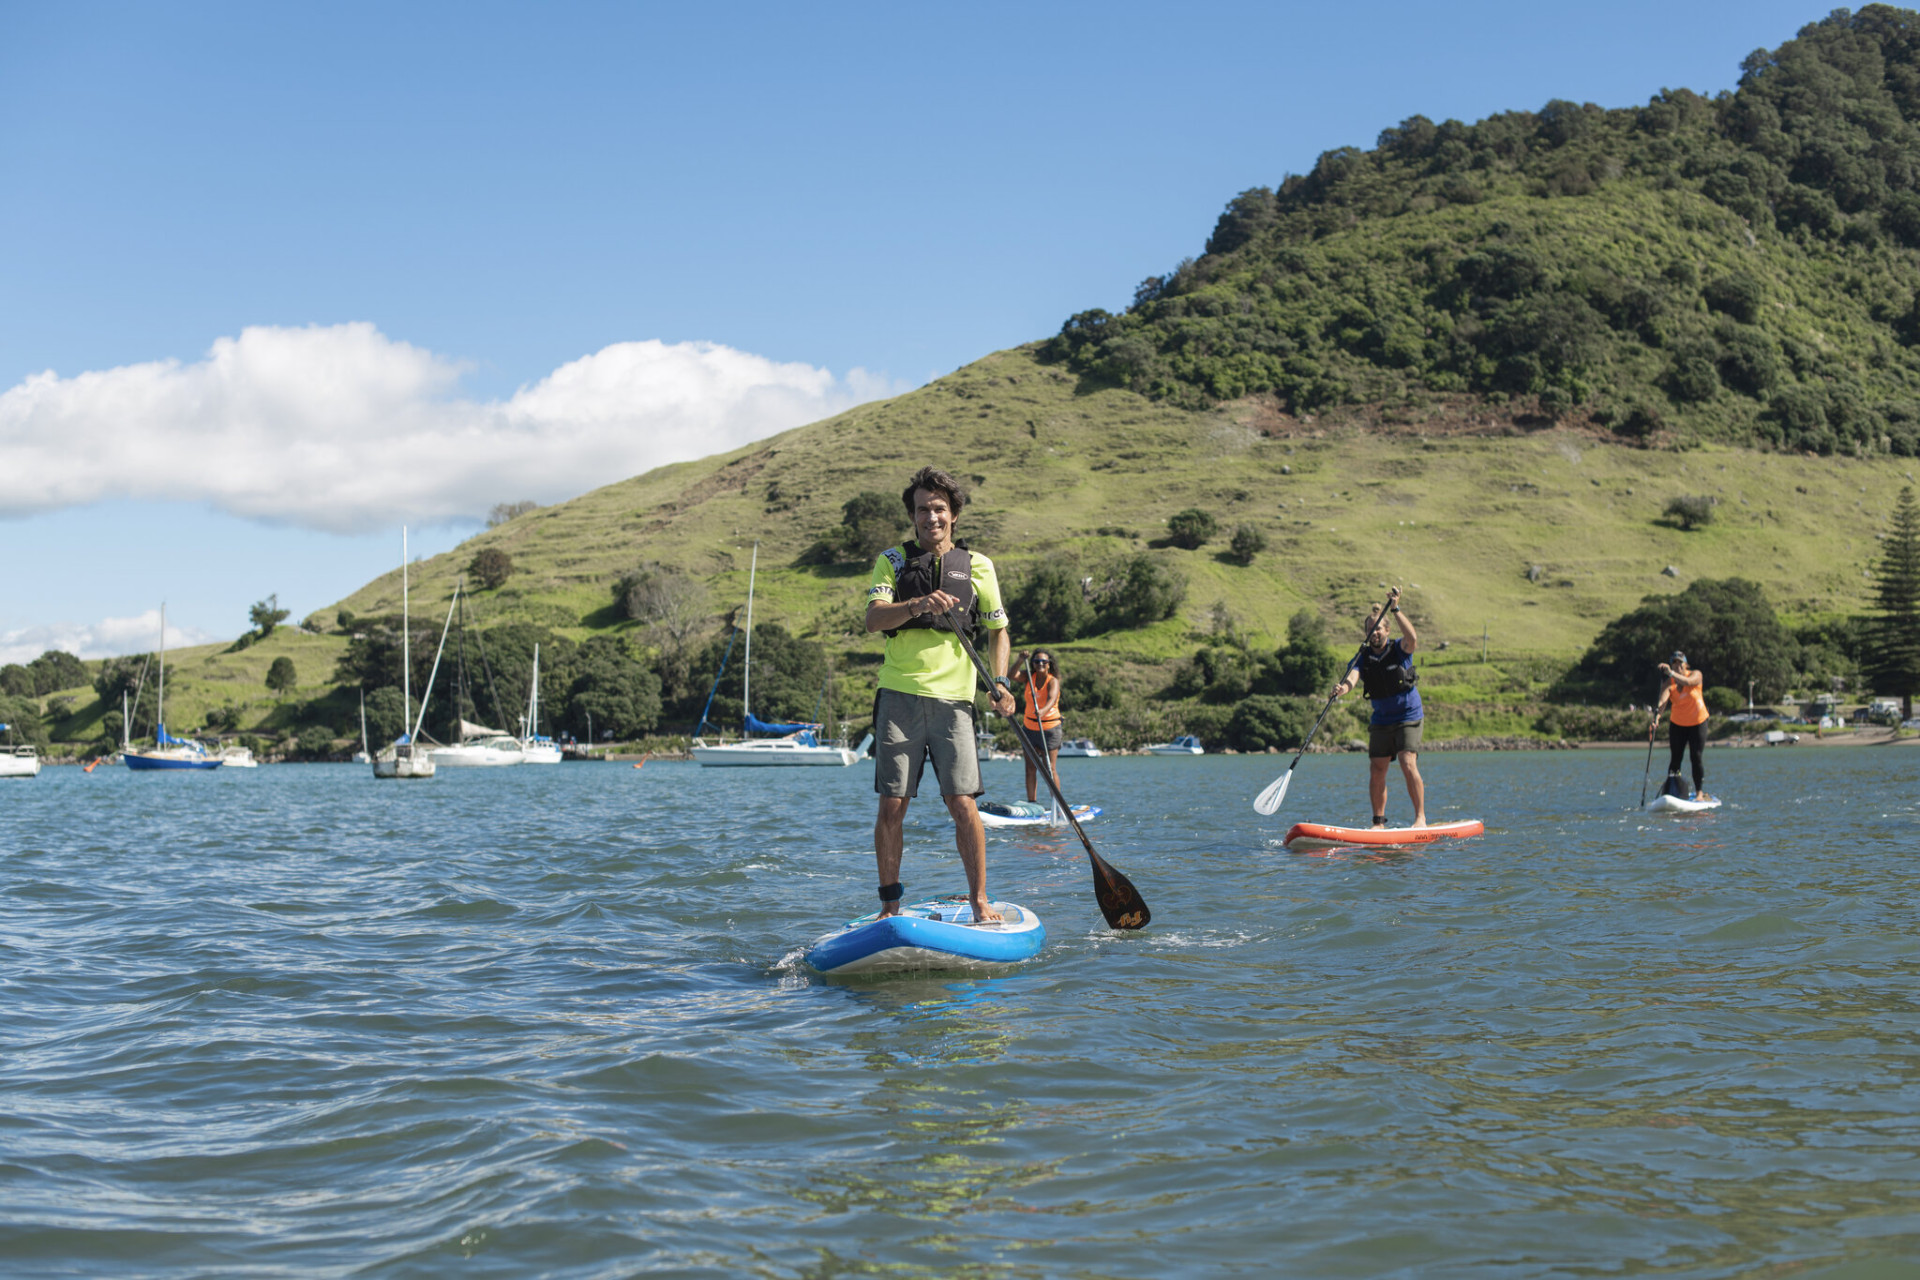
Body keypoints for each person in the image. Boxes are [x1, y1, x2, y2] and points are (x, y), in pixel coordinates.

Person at [865, 465, 1015, 921]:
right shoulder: (892, 561)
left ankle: (979, 901)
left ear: (954, 514)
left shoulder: (979, 566)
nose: (931, 517)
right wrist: (916, 604)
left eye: (939, 509)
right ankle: (890, 908)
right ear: (912, 516)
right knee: (893, 805)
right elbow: (873, 620)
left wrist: (1001, 682)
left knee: (962, 803)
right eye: (922, 510)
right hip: (899, 695)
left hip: (955, 701)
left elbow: (999, 631)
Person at [1329, 587, 1426, 828]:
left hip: (1408, 715)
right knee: (1377, 768)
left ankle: (1420, 819)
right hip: (1382, 718)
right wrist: (1342, 690)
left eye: (1379, 629)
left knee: (1407, 761)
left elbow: (1413, 639)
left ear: (1387, 631)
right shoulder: (1362, 657)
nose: (1374, 634)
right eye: (1370, 630)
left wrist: (1395, 609)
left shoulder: (1399, 649)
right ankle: (1378, 822)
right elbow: (1352, 678)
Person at [1653, 651, 1711, 800]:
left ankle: (1699, 793)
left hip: (1698, 722)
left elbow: (1688, 682)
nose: (1678, 665)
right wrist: (1656, 718)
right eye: (1674, 663)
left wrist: (1671, 673)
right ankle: (1673, 790)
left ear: (1686, 665)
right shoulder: (1669, 683)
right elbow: (1662, 702)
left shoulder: (1696, 675)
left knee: (1695, 757)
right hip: (1678, 724)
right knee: (1675, 759)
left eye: (1680, 662)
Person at [1012, 648, 1063, 804]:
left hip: (1049, 729)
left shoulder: (1053, 681)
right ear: (1033, 663)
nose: (1040, 664)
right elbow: (1011, 676)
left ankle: (1057, 804)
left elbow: (1052, 699)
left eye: (1043, 662)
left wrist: (1043, 711)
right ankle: (1032, 803)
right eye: (1036, 661)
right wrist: (1020, 660)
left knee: (1049, 768)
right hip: (1029, 729)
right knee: (1030, 768)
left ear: (1049, 664)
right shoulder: (1029, 676)